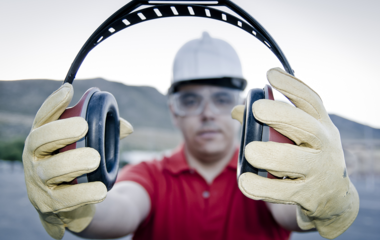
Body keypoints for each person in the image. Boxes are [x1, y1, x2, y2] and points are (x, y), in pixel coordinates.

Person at [22, 32, 359, 240]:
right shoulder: (149, 175)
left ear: (247, 109)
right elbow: (119, 210)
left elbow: (288, 211)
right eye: (190, 99)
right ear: (173, 112)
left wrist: (322, 205)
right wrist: (79, 210)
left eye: (222, 98)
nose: (208, 112)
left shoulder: (267, 176)